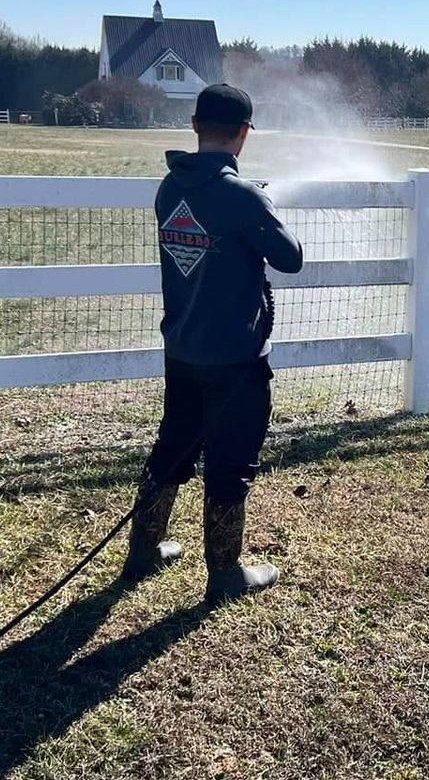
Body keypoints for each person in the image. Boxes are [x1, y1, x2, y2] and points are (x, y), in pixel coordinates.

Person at [124, 83, 304, 601]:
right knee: (230, 460)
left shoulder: (170, 187)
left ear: (196, 126)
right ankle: (224, 574)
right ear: (244, 133)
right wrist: (262, 204)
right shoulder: (243, 196)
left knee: (173, 446)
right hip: (236, 358)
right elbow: (290, 257)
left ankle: (143, 550)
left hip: (181, 349)